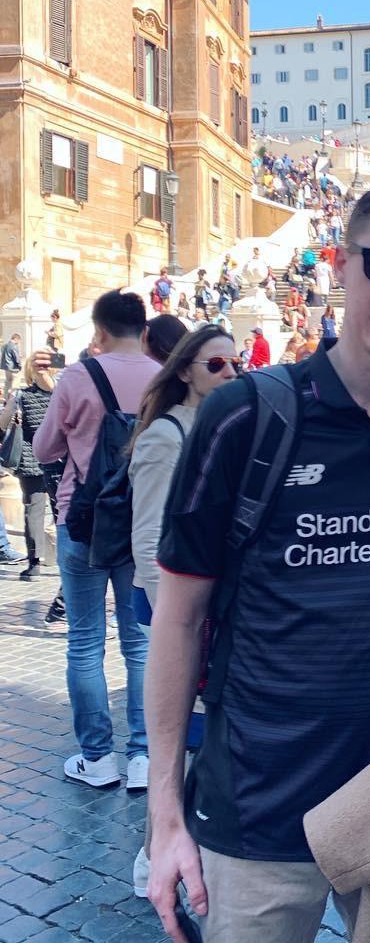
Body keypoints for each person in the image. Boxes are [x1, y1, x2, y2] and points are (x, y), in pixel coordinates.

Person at [145, 183, 370, 943]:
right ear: (340, 266)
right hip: (256, 807)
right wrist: (164, 816)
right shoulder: (244, 415)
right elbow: (178, 619)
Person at [127, 325, 240, 898]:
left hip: (217, 611)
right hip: (184, 612)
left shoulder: (230, 426)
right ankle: (154, 856)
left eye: (236, 364)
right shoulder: (164, 437)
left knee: (203, 737)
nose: (230, 373)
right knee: (179, 740)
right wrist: (178, 621)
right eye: (216, 365)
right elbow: (149, 539)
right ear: (187, 371)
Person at [33, 290, 161, 789]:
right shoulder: (161, 378)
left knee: (85, 641)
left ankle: (97, 758)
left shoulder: (77, 376)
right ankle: (143, 756)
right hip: (139, 522)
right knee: (139, 642)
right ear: (143, 330)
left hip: (83, 520)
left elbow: (44, 448)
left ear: (100, 331)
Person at [0, 358, 60, 578]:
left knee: (33, 512)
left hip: (31, 458)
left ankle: (34, 564)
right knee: (61, 511)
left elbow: (2, 424)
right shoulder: (62, 393)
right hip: (59, 458)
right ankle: (65, 561)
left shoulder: (20, 395)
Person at [2, 332, 22, 396]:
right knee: (15, 383)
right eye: (19, 340)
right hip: (14, 368)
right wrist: (20, 366)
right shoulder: (14, 346)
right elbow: (16, 358)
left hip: (6, 368)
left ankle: (6, 397)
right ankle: (13, 397)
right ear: (16, 339)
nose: (18, 342)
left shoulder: (4, 346)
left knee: (8, 382)